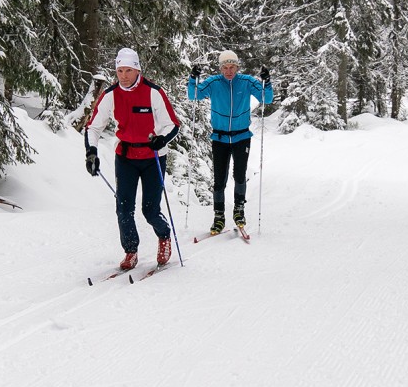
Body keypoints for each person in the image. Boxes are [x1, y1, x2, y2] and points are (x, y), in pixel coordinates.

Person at [84, 48, 181, 270]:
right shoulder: (110, 95)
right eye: (120, 70)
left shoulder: (153, 92)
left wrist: (161, 139)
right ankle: (130, 251)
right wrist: (91, 151)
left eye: (129, 70)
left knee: (150, 209)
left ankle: (164, 236)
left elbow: (173, 124)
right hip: (126, 156)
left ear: (137, 70)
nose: (124, 75)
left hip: (153, 156)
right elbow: (93, 127)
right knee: (123, 207)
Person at [185, 50, 273, 235]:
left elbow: (267, 98)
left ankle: (239, 211)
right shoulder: (215, 82)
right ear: (221, 68)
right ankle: (219, 216)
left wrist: (267, 81)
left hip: (242, 137)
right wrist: (194, 78)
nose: (229, 71)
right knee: (219, 179)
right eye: (225, 67)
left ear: (237, 66)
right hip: (220, 138)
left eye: (232, 66)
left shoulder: (247, 81)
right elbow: (194, 95)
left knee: (239, 175)